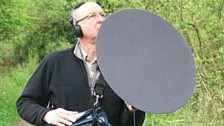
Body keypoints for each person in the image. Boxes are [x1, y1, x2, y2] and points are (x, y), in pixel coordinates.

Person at [16, 2, 145, 126]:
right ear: (76, 27)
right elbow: (25, 103)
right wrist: (46, 114)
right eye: (92, 16)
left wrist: (132, 110)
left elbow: (129, 123)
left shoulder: (121, 66)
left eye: (102, 15)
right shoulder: (54, 62)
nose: (100, 19)